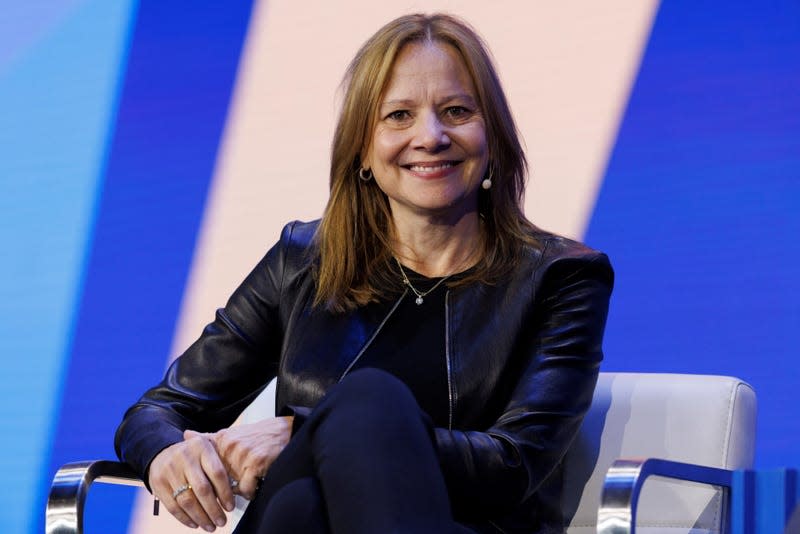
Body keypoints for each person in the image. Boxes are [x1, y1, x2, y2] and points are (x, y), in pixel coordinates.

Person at [115, 12, 613, 534]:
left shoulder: (562, 278)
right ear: (364, 151)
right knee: (305, 500)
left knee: (351, 426)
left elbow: (515, 464)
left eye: (457, 110)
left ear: (492, 137)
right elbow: (158, 411)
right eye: (399, 115)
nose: (431, 136)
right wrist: (165, 454)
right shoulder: (303, 260)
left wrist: (307, 431)